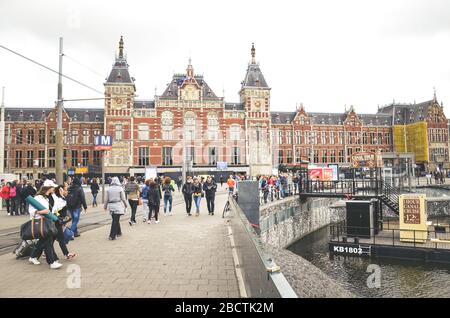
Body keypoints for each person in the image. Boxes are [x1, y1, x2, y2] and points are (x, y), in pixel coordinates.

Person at [28, 180, 63, 269]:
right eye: (53, 187)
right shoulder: (38, 198)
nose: (54, 189)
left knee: (44, 241)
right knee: (48, 241)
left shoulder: (45, 198)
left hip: (45, 222)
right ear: (49, 188)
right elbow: (31, 211)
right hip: (40, 222)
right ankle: (52, 262)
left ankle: (33, 257)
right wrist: (40, 211)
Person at [52, 184, 77, 260]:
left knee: (58, 239)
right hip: (56, 222)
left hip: (59, 222)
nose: (67, 191)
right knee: (55, 239)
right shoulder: (58, 199)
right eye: (65, 190)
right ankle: (35, 255)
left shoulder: (62, 198)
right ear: (61, 190)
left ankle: (66, 254)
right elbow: (57, 210)